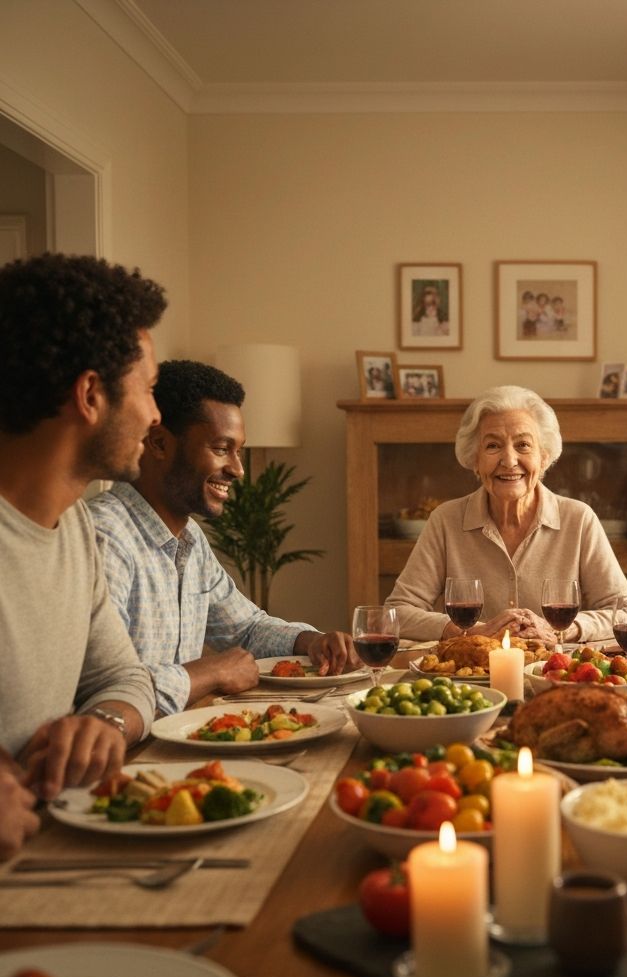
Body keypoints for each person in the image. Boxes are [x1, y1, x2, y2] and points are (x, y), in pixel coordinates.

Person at [89, 360, 358, 717]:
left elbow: (245, 628)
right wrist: (208, 672)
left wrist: (309, 641)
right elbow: (105, 692)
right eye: (221, 448)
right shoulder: (105, 538)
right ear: (158, 443)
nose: (237, 469)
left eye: (239, 451)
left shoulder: (190, 540)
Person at [0, 252, 163, 817]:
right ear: (90, 395)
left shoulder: (74, 527)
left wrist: (105, 722)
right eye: (148, 389)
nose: (155, 414)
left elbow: (123, 677)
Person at [386, 384, 627, 642]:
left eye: (523, 445)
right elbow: (397, 611)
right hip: (472, 677)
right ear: (475, 459)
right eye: (493, 446)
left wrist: (563, 630)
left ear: (544, 457)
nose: (509, 460)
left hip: (554, 674)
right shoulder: (445, 520)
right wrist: (471, 633)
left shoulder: (578, 519)